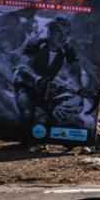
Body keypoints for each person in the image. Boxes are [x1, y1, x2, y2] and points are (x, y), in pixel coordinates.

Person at [14, 16, 84, 148]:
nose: (62, 37)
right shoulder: (37, 44)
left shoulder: (67, 50)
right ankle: (24, 140)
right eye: (59, 32)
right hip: (26, 83)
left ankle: (42, 138)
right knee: (26, 108)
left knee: (50, 112)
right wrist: (36, 79)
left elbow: (76, 71)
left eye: (67, 34)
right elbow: (21, 66)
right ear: (49, 32)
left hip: (46, 86)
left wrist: (80, 88)